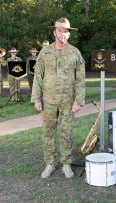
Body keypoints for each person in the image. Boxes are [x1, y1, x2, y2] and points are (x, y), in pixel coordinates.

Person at [31, 17, 85, 179]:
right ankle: (50, 163)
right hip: (48, 101)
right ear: (54, 32)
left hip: (68, 101)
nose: (63, 34)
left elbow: (81, 79)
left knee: (66, 132)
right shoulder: (45, 52)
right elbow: (38, 76)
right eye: (60, 30)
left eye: (66, 31)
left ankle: (66, 164)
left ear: (69, 34)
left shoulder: (75, 52)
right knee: (48, 132)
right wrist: (37, 98)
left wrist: (78, 100)